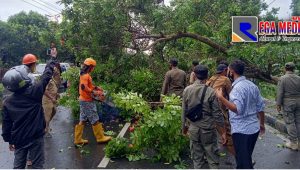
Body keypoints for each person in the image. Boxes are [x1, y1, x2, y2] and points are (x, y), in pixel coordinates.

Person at [1, 54, 57, 169]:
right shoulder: (35, 92)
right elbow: (46, 76)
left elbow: (6, 125)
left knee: (18, 166)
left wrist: (8, 140)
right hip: (36, 137)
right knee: (37, 166)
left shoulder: (7, 102)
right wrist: (52, 60)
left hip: (19, 139)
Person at [215, 60, 265, 169]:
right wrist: (262, 123)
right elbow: (261, 107)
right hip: (254, 129)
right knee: (245, 157)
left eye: (228, 70)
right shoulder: (252, 85)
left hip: (241, 131)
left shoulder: (237, 89)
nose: (227, 72)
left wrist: (221, 98)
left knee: (243, 163)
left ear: (232, 72)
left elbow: (238, 109)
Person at [182, 64, 226, 169]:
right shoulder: (211, 92)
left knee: (197, 160)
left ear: (195, 75)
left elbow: (184, 111)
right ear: (207, 76)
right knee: (213, 159)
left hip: (193, 128)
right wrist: (223, 132)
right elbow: (217, 114)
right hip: (208, 129)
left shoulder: (187, 90)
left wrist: (184, 127)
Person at [74, 58, 111, 145]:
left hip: (83, 100)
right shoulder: (85, 76)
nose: (93, 69)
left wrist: (96, 87)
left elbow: (88, 85)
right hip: (87, 100)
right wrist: (94, 92)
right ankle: (100, 137)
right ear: (90, 67)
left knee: (82, 119)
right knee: (94, 118)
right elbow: (84, 87)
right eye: (93, 67)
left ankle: (78, 139)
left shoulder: (84, 75)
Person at [206, 64, 235, 156]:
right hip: (219, 109)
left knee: (214, 130)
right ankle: (239, 157)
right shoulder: (225, 79)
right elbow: (231, 95)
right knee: (227, 130)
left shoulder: (210, 79)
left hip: (208, 108)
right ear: (225, 70)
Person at [276, 62, 300, 150]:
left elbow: (280, 93)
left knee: (290, 122)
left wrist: (278, 104)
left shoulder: (283, 79)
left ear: (285, 69)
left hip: (288, 103)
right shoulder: (298, 78)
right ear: (293, 69)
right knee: (298, 121)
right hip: (298, 102)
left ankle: (293, 143)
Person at [43, 64, 62, 138]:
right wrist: (51, 98)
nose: (56, 71)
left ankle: (45, 126)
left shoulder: (52, 78)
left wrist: (56, 94)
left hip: (52, 99)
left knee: (54, 111)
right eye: (55, 70)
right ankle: (46, 131)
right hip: (47, 100)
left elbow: (53, 88)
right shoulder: (47, 79)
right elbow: (44, 90)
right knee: (47, 115)